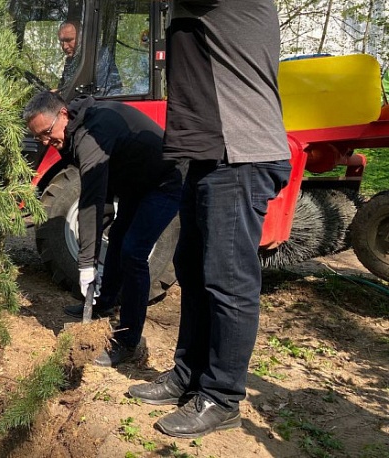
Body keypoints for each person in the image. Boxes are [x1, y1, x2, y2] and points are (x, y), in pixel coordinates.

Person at [126, 0, 292, 438]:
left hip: (240, 153)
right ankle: (189, 376)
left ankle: (222, 397)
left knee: (228, 280)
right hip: (208, 154)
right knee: (193, 269)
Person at [23, 90, 183, 366]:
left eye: (48, 133)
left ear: (63, 114)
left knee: (134, 253)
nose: (47, 142)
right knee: (119, 237)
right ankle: (105, 303)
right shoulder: (72, 134)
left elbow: (91, 201)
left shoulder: (92, 134)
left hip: (166, 180)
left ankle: (128, 341)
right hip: (136, 184)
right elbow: (102, 192)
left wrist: (86, 262)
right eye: (40, 138)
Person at [57, 21, 122, 97]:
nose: (64, 46)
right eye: (61, 41)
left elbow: (98, 93)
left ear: (82, 38)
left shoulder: (98, 57)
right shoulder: (71, 61)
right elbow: (64, 86)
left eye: (69, 40)